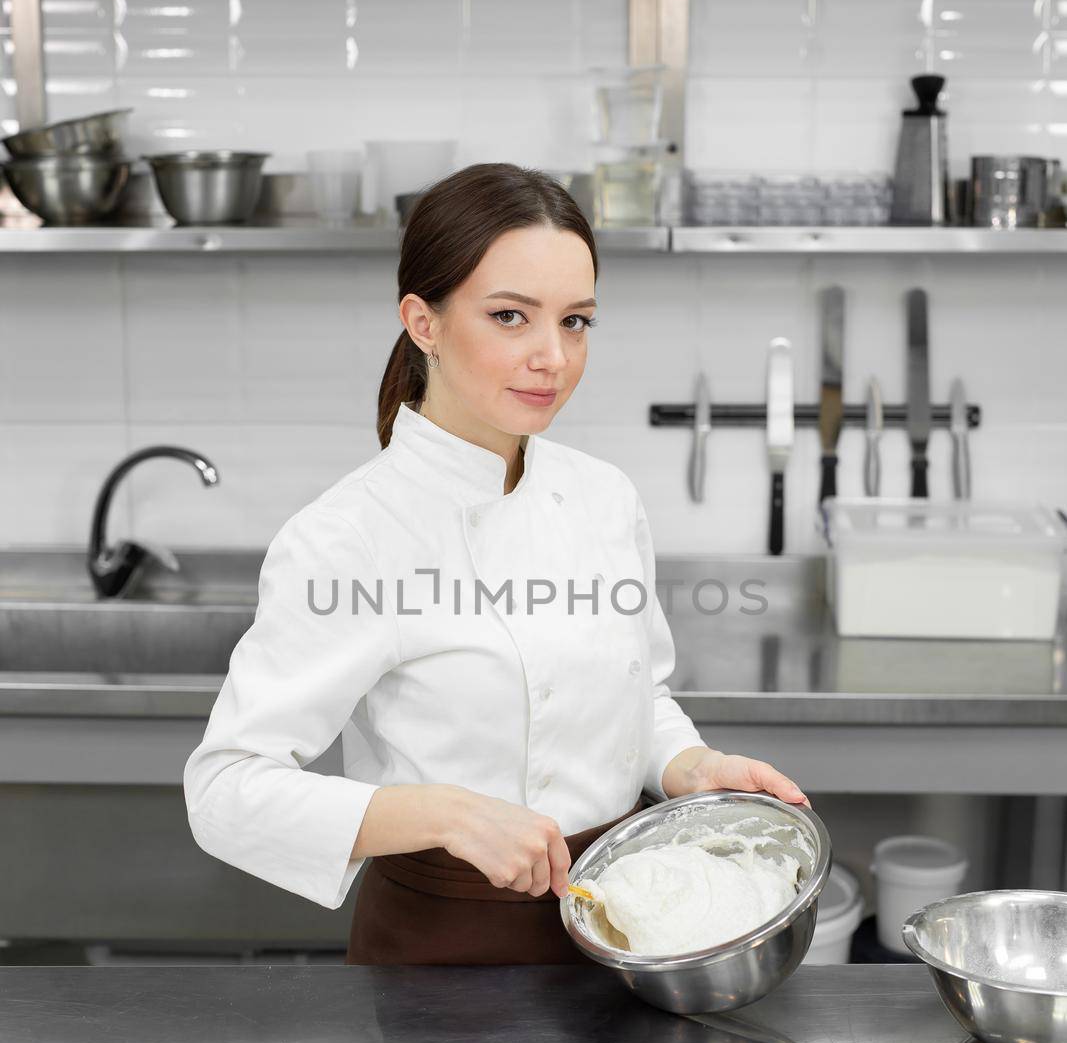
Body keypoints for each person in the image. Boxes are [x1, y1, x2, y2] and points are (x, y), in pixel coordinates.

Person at [183, 162, 810, 966]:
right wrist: (442, 814)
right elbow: (227, 790)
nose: (552, 356)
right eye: (511, 316)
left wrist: (690, 766)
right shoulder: (350, 536)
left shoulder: (603, 498)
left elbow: (634, 695)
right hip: (444, 955)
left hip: (623, 931)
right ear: (424, 322)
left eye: (576, 321)